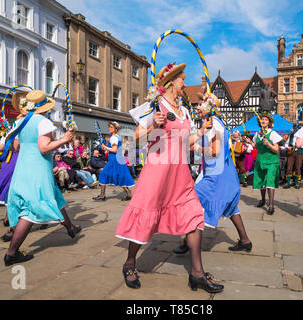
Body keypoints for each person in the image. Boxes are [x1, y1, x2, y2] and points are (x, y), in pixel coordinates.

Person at [115, 62, 223, 293]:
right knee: (145, 218)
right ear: (172, 81)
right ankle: (130, 262)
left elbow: (184, 142)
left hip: (180, 174)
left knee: (194, 217)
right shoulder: (154, 106)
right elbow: (134, 140)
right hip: (157, 172)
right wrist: (152, 125)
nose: (185, 83)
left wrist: (202, 132)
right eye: (182, 79)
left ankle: (197, 274)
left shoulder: (184, 110)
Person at [4, 89, 81, 266]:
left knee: (54, 196)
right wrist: (64, 139)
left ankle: (70, 227)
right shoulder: (43, 122)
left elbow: (16, 147)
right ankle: (11, 253)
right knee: (31, 211)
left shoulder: (20, 122)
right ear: (44, 107)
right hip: (38, 170)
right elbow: (44, 148)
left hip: (23, 168)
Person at [173, 93, 252, 255]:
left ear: (209, 107)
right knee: (230, 207)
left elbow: (215, 152)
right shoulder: (212, 123)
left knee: (191, 203)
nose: (196, 107)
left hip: (216, 176)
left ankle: (188, 241)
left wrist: (198, 149)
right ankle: (245, 241)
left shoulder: (213, 126)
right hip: (223, 174)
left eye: (200, 104)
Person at [93, 121, 134, 201]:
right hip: (117, 159)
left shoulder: (114, 137)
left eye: (111, 127)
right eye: (109, 127)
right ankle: (129, 194)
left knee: (102, 175)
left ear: (115, 129)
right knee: (119, 176)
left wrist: (105, 147)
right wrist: (105, 147)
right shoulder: (117, 137)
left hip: (114, 160)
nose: (109, 128)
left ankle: (102, 195)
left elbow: (114, 150)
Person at [252, 113, 283, 215]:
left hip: (271, 162)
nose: (263, 121)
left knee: (270, 182)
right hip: (260, 161)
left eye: (265, 119)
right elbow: (257, 147)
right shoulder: (257, 134)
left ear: (269, 122)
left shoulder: (273, 134)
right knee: (261, 183)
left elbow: (276, 150)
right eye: (262, 119)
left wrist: (268, 144)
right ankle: (262, 200)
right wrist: (251, 143)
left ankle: (271, 204)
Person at [283, 124, 303, 189]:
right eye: (294, 128)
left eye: (296, 128)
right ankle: (288, 183)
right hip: (291, 153)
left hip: (299, 152)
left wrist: (298, 145)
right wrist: (288, 147)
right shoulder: (291, 136)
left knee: (298, 167)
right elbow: (286, 144)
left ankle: (296, 183)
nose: (294, 129)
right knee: (289, 167)